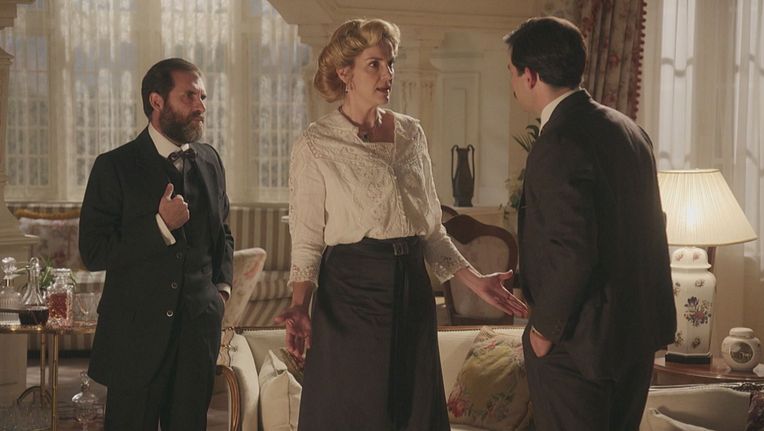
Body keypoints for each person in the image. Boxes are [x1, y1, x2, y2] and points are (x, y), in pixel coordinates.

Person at [274, 18, 528, 431]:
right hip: (351, 292)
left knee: (414, 411)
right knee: (356, 412)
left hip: (411, 288)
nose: (388, 74)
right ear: (345, 72)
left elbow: (431, 231)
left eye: (390, 63)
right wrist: (300, 305)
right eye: (374, 64)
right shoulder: (316, 144)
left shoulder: (411, 133)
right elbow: (306, 242)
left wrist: (476, 282)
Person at [504, 16, 677, 431]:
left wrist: (543, 330)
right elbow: (648, 229)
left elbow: (573, 251)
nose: (511, 82)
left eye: (511, 72)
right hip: (634, 339)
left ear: (530, 75)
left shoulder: (558, 140)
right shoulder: (630, 130)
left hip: (577, 343)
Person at [79, 58, 234, 430]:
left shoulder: (210, 160)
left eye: (203, 97)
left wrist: (221, 291)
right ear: (156, 101)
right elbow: (93, 251)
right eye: (189, 96)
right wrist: (160, 225)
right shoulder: (114, 166)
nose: (201, 106)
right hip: (134, 338)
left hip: (197, 335)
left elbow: (223, 233)